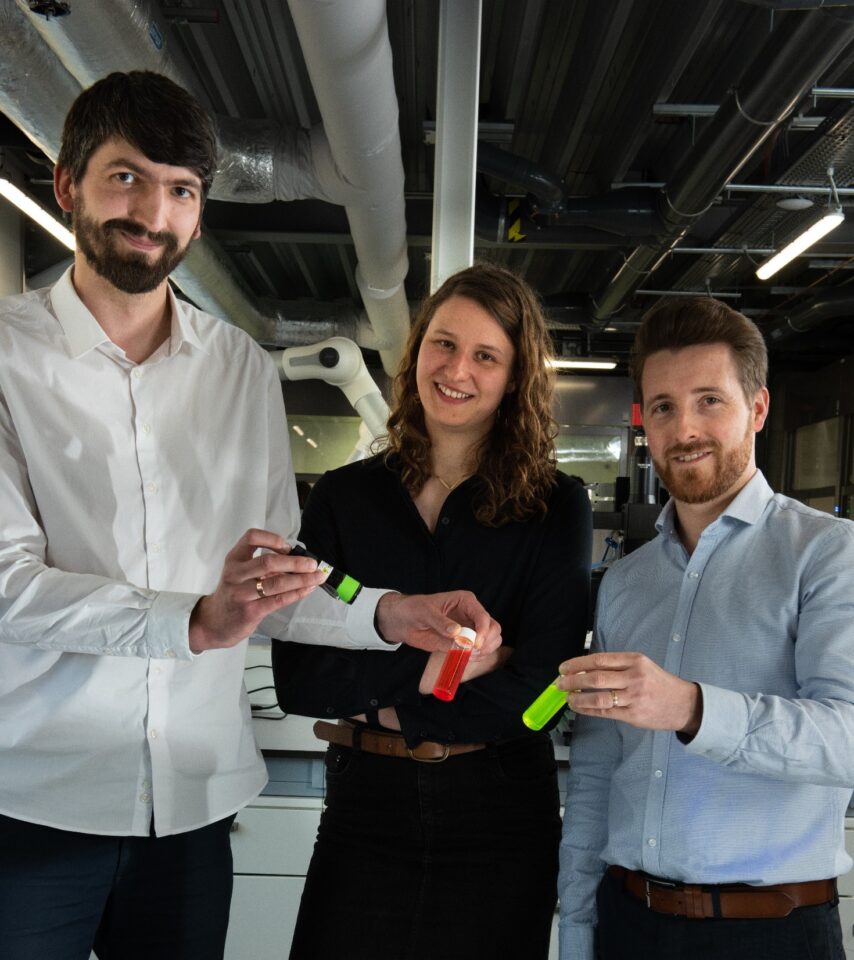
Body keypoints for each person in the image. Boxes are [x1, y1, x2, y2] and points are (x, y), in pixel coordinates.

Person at [0, 71, 499, 960]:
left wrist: (389, 613)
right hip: (38, 801)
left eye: (182, 190)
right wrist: (195, 619)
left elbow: (275, 580)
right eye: (126, 178)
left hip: (193, 804)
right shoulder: (7, 357)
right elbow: (8, 586)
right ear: (67, 185)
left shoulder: (240, 368)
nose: (153, 212)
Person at [273, 262, 592, 960]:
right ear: (417, 349)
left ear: (514, 379)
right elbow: (297, 677)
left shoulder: (555, 507)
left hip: (501, 807)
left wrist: (376, 693)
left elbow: (545, 689)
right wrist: (439, 674)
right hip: (367, 806)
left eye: (486, 355)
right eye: (443, 344)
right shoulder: (343, 499)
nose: (457, 369)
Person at [557, 296, 853, 960]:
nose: (684, 427)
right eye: (663, 407)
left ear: (758, 408)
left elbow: (848, 737)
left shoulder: (830, 555)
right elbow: (598, 773)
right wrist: (575, 928)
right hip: (627, 922)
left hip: (772, 933)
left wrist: (691, 708)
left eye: (709, 400)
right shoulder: (626, 584)